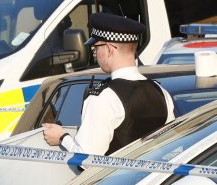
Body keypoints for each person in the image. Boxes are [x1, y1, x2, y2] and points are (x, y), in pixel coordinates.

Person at [43, 12, 174, 156]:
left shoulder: (103, 98)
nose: (94, 54)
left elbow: (87, 160)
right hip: (155, 178)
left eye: (96, 47)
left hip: (115, 178)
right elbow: (170, 146)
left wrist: (62, 138)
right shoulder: (161, 92)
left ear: (110, 49)